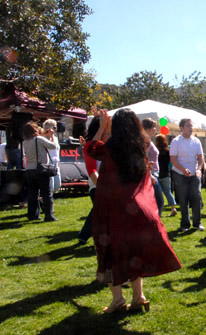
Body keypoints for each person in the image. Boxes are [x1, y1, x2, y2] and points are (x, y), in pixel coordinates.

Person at [87, 109, 181, 313]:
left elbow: (91, 149)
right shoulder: (142, 145)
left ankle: (118, 299)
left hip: (113, 210)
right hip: (136, 209)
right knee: (133, 253)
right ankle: (138, 297)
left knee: (112, 253)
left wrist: (103, 125)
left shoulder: (110, 148)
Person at [170, 118, 205, 232]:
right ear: (182, 128)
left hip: (194, 174)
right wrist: (183, 169)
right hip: (180, 174)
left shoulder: (196, 141)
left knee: (196, 198)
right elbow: (173, 159)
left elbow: (200, 158)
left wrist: (199, 169)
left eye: (191, 125)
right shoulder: (176, 141)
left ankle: (197, 223)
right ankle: (185, 224)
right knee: (183, 200)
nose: (191, 128)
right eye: (188, 126)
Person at [22, 122, 58, 222]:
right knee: (47, 194)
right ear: (35, 130)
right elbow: (53, 146)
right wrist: (51, 136)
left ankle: (33, 215)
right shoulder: (39, 139)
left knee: (33, 194)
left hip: (29, 169)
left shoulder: (25, 142)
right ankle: (49, 215)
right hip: (41, 169)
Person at [77, 116, 102, 244]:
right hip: (97, 186)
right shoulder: (90, 145)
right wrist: (102, 187)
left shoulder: (105, 145)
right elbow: (92, 170)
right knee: (98, 212)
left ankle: (84, 235)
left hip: (104, 185)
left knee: (99, 212)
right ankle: (84, 235)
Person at [142, 118, 164, 218]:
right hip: (150, 175)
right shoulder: (145, 141)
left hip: (153, 174)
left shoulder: (148, 140)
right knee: (159, 201)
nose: (155, 129)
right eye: (154, 127)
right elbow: (144, 158)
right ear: (148, 128)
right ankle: (154, 224)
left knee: (154, 202)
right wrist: (150, 175)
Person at [155, 134, 177, 217]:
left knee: (157, 194)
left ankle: (158, 209)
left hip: (157, 174)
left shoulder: (155, 151)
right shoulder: (168, 151)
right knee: (168, 192)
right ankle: (173, 208)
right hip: (166, 174)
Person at [42, 119, 61, 194]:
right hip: (48, 163)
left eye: (55, 128)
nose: (55, 129)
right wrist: (49, 135)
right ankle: (47, 200)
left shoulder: (56, 138)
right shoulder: (43, 138)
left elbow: (56, 150)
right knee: (50, 185)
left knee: (57, 185)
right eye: (54, 127)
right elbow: (51, 146)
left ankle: (45, 199)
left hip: (56, 163)